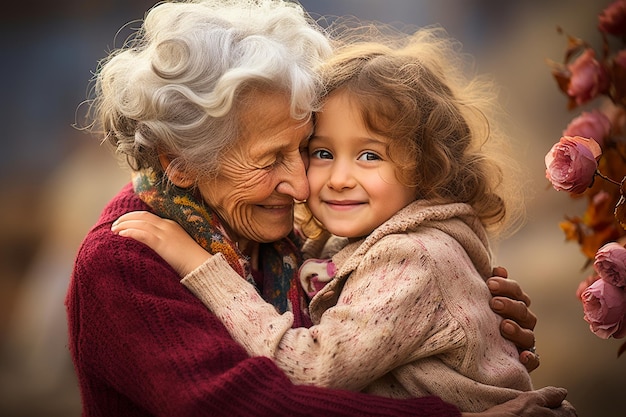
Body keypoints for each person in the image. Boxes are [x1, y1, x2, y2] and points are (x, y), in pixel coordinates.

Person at [68, 0, 574, 416]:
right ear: (179, 163)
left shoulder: (276, 224)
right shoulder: (125, 261)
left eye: (304, 148)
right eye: (271, 159)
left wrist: (468, 323)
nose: (299, 183)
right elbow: (251, 407)